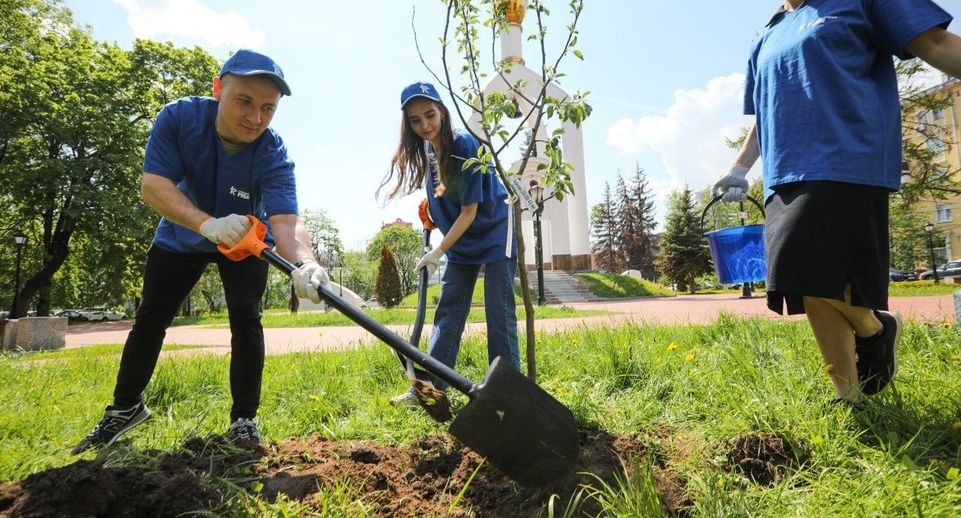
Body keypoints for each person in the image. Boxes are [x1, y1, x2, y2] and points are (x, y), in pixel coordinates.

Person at [72, 49, 329, 453]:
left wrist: (306, 263)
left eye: (268, 108)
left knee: (247, 322)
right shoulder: (179, 119)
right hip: (182, 234)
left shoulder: (273, 153)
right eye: (244, 100)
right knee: (151, 318)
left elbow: (286, 221)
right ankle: (124, 410)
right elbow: (153, 186)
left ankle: (244, 420)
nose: (255, 118)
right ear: (217, 89)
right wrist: (207, 225)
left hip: (244, 243)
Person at [713, 0, 961, 405]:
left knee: (805, 267)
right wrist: (740, 166)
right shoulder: (770, 33)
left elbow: (935, 41)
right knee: (810, 286)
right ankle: (848, 395)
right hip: (783, 172)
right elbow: (764, 112)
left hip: (846, 157)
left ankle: (873, 329)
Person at [379, 81, 520, 404]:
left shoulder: (464, 145)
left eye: (430, 115)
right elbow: (446, 192)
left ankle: (508, 394)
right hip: (461, 236)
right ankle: (431, 390)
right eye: (416, 120)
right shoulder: (429, 149)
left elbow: (470, 210)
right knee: (448, 311)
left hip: (495, 229)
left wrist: (438, 250)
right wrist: (434, 213)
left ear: (442, 111)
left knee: (499, 312)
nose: (425, 125)